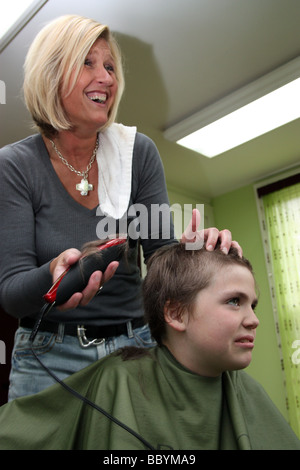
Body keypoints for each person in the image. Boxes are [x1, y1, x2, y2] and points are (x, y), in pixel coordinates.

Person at [0, 15, 238, 401]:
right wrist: (55, 275)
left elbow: (161, 256)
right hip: (47, 356)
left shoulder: (137, 152)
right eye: (88, 63)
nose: (107, 78)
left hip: (134, 348)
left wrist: (196, 253)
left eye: (110, 67)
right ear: (50, 74)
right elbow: (12, 293)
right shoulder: (13, 166)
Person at [0, 242, 299, 450]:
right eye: (234, 301)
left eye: (253, 305)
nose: (254, 320)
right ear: (176, 313)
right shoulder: (119, 380)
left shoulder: (247, 392)